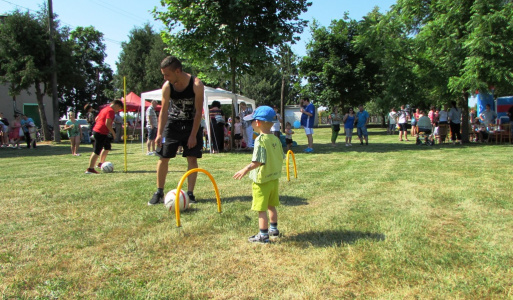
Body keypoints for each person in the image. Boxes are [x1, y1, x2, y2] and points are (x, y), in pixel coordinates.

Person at [148, 56, 204, 205]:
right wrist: (160, 133)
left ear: (177, 71)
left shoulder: (196, 84)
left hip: (192, 124)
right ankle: (159, 192)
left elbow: (199, 112)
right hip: (172, 125)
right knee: (163, 157)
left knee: (192, 158)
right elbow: (164, 110)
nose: (165, 78)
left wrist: (193, 135)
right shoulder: (167, 86)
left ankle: (190, 194)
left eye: (167, 74)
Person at [233, 106, 284, 243]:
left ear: (258, 123)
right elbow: (281, 157)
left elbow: (257, 162)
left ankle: (263, 235)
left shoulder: (260, 140)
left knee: (261, 209)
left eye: (252, 121)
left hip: (261, 181)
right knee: (271, 205)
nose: (251, 124)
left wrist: (244, 170)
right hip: (274, 179)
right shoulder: (276, 139)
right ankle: (274, 230)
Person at [85, 100, 123, 174]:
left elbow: (96, 119)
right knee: (97, 150)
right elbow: (108, 124)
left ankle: (100, 163)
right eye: (119, 109)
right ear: (116, 105)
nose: (118, 111)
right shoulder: (111, 111)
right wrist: (113, 133)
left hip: (99, 131)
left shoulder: (104, 109)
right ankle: (90, 169)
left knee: (107, 147)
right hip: (100, 132)